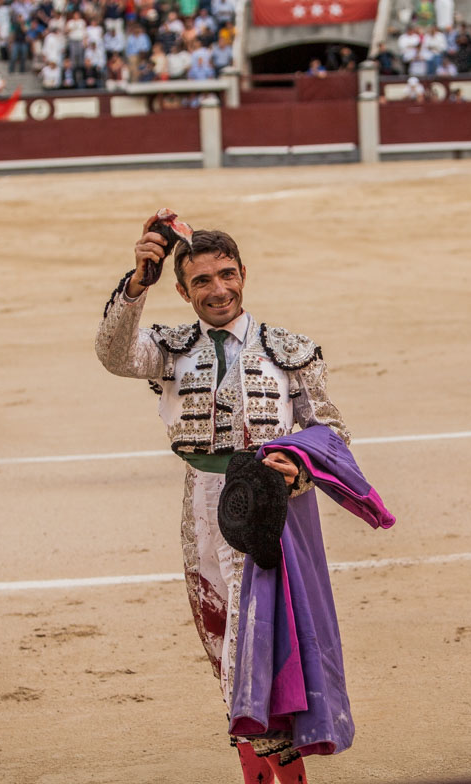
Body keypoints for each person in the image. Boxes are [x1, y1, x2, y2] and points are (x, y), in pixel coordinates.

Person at [95, 219, 393, 784]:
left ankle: (286, 780)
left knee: (268, 648)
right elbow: (113, 354)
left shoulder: (291, 351)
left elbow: (329, 431)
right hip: (203, 504)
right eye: (202, 280)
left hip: (275, 510)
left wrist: (300, 468)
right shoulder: (169, 349)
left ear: (244, 275)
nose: (218, 289)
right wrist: (137, 282)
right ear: (183, 291)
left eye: (227, 274)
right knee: (224, 643)